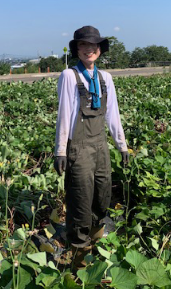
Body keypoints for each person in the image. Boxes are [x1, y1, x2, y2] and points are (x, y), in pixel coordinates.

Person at [54, 25, 129, 269]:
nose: (89, 49)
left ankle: (94, 243)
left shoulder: (105, 78)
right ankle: (78, 256)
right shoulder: (69, 76)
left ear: (99, 50)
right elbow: (64, 114)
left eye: (93, 45)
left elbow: (113, 115)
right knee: (80, 198)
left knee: (102, 194)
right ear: (77, 49)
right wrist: (60, 150)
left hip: (100, 146)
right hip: (79, 147)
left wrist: (122, 146)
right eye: (84, 45)